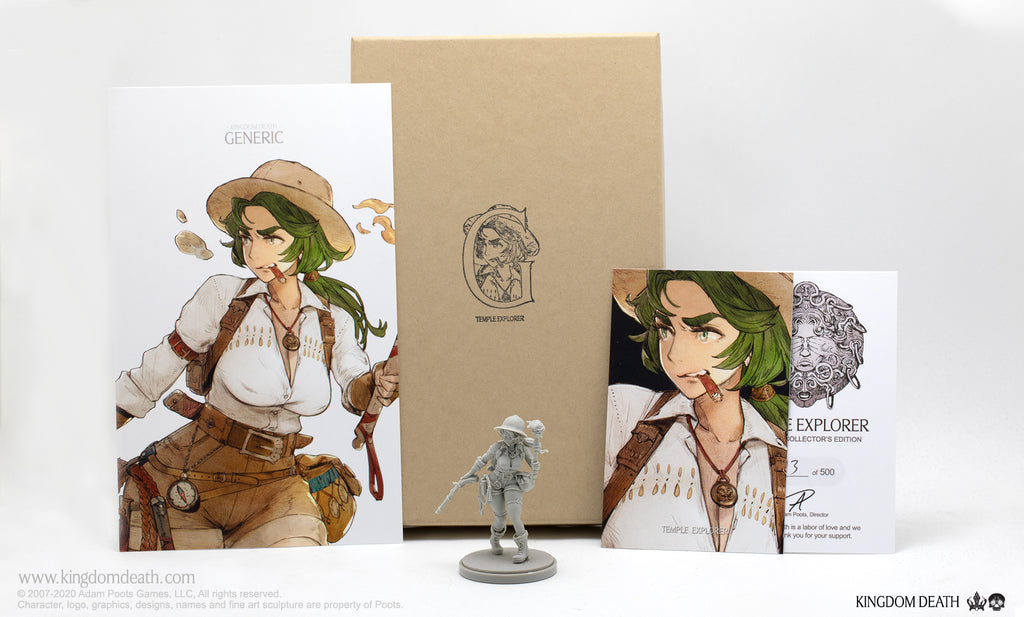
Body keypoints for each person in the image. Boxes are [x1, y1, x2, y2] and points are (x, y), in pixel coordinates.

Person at [116, 160, 397, 550]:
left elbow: (356, 390)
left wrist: (379, 382)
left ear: (306, 241)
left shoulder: (333, 320)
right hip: (192, 475)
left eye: (271, 238)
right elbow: (159, 367)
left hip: (278, 485)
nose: (254, 251)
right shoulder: (223, 295)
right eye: (246, 237)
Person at [603, 270, 791, 553]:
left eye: (704, 333)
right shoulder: (624, 413)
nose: (675, 354)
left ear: (754, 342)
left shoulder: (782, 454)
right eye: (665, 330)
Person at [457, 416, 544, 564]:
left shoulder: (523, 449)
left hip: (513, 482)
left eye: (509, 434)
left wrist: (536, 466)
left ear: (517, 436)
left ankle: (523, 548)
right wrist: (467, 475)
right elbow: (482, 461)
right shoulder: (497, 447)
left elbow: (533, 464)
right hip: (495, 482)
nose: (506, 436)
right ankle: (495, 539)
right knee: (500, 518)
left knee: (515, 515)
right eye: (504, 433)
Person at [465, 206, 539, 303]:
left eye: (495, 244)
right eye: (483, 243)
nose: (486, 252)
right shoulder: (478, 280)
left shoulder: (527, 281)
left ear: (513, 246)